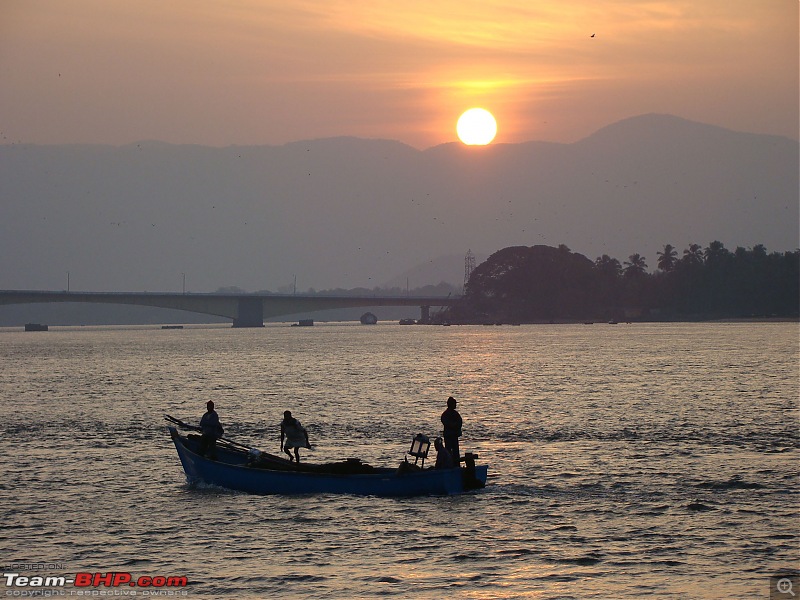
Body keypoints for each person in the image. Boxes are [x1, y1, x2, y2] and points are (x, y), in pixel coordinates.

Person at [441, 396, 462, 464]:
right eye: (454, 404)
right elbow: (446, 423)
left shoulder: (455, 414)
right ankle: (450, 464)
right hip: (449, 436)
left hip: (453, 435)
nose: (455, 405)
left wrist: (456, 426)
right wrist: (454, 425)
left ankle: (456, 464)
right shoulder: (445, 414)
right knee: (449, 451)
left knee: (455, 452)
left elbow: (460, 422)